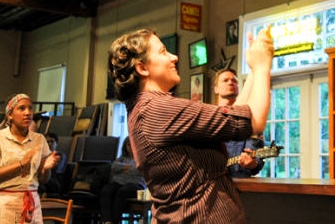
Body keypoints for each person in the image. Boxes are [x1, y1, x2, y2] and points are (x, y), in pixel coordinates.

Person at [108, 27, 273, 223]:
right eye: (163, 52)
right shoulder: (160, 109)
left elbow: (235, 115)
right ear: (142, 68)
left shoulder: (145, 108)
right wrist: (263, 66)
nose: (174, 57)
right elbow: (253, 120)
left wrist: (254, 70)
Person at [0, 94, 60, 224]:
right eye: (21, 108)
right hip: (3, 201)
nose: (28, 112)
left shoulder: (39, 139)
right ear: (10, 114)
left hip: (31, 201)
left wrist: (46, 169)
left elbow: (42, 179)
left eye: (30, 108)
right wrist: (21, 164)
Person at [213, 68, 265, 178]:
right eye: (225, 80)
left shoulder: (250, 119)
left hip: (239, 185)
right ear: (216, 89)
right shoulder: (209, 117)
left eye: (234, 81)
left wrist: (253, 164)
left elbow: (258, 160)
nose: (230, 82)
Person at [100, 136, 145, 224]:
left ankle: (116, 221)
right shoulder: (122, 157)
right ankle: (108, 221)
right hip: (118, 182)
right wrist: (130, 168)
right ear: (125, 146)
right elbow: (114, 166)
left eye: (133, 144)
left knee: (122, 191)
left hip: (136, 184)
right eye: (129, 145)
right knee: (106, 191)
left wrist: (123, 169)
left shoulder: (141, 158)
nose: (131, 147)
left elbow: (139, 170)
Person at [38, 133, 69, 197]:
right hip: (44, 182)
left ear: (56, 143)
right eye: (47, 142)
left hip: (56, 183)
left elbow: (57, 169)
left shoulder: (61, 155)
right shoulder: (41, 156)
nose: (49, 144)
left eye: (52, 141)